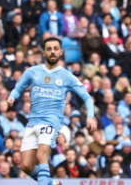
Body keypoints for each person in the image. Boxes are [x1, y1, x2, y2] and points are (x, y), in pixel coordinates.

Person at [7, 37, 97, 185]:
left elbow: (86, 97)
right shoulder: (32, 72)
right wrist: (12, 97)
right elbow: (18, 88)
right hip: (32, 122)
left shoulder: (67, 76)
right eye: (49, 49)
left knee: (42, 156)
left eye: (56, 49)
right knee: (26, 166)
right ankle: (51, 183)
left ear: (61, 52)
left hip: (51, 121)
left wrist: (90, 116)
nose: (52, 52)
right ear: (43, 53)